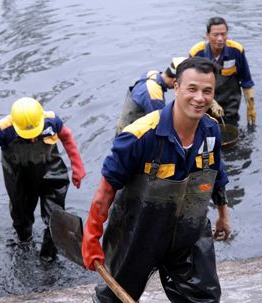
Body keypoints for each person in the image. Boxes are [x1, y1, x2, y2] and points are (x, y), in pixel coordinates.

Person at [83, 57, 231, 302]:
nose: (199, 98)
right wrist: (91, 236)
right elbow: (106, 190)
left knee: (204, 298)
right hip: (138, 233)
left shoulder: (211, 131)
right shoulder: (139, 136)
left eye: (207, 91)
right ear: (177, 88)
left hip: (189, 229)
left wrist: (223, 215)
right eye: (192, 89)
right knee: (114, 299)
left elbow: (217, 174)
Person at [0, 97, 85, 261]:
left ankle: (49, 258)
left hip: (50, 173)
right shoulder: (3, 129)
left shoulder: (50, 120)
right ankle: (24, 244)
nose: (31, 138)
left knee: (55, 217)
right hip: (19, 177)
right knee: (21, 218)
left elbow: (66, 136)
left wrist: (77, 167)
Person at [115, 57, 224, 135]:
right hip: (132, 132)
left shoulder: (152, 74)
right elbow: (161, 124)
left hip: (123, 123)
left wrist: (213, 103)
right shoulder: (154, 95)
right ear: (176, 82)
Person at [189, 16, 256, 126]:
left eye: (223, 34)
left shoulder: (236, 50)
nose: (220, 39)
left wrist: (251, 106)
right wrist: (211, 103)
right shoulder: (196, 53)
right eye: (215, 35)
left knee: (231, 129)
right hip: (204, 102)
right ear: (207, 35)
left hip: (230, 103)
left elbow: (246, 81)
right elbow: (192, 86)